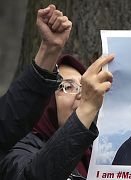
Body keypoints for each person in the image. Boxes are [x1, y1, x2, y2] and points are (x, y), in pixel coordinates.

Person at [0, 54, 114, 180]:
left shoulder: (98, 155)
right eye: (68, 86)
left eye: (85, 88)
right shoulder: (17, 147)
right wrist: (86, 109)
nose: (82, 95)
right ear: (45, 99)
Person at [0, 4, 71, 154]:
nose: (80, 95)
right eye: (68, 87)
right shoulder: (24, 153)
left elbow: (7, 119)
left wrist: (50, 48)